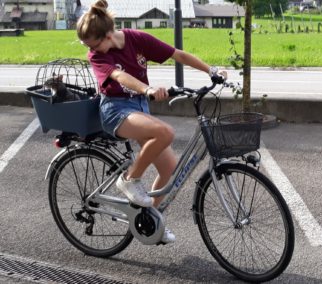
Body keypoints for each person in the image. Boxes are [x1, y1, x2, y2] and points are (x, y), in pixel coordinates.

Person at [76, 0, 227, 244]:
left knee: (169, 168)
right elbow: (119, 75)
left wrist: (211, 71)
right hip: (115, 110)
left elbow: (177, 54)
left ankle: (149, 220)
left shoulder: (136, 39)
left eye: (94, 44)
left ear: (107, 36)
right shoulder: (97, 56)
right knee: (164, 133)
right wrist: (147, 88)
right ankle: (128, 180)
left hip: (139, 108)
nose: (92, 50)